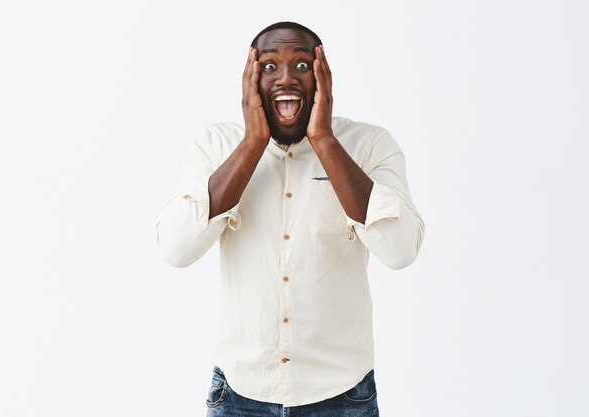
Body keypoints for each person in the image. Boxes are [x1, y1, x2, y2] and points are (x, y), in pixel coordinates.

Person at [155, 21, 425, 417]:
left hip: (342, 396)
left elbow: (401, 251)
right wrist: (251, 143)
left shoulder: (370, 146)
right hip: (239, 395)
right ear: (250, 79)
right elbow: (176, 249)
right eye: (269, 67)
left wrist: (325, 141)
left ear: (323, 77)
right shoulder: (215, 145)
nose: (286, 78)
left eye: (302, 65)